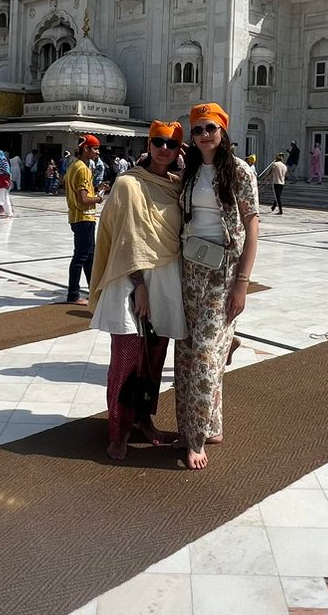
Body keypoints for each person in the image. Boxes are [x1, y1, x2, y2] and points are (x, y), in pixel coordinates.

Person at [90, 120, 185, 460]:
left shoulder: (177, 185)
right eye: (158, 142)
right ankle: (118, 430)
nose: (164, 149)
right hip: (132, 281)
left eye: (172, 144)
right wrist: (139, 286)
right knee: (127, 359)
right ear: (149, 143)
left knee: (154, 360)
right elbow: (127, 237)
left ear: (179, 150)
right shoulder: (129, 183)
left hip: (167, 280)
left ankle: (144, 420)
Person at [177, 103, 260, 469]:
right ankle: (211, 424)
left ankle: (195, 439)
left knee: (205, 356)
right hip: (190, 269)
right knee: (188, 350)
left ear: (223, 131)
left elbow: (253, 226)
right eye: (197, 130)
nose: (203, 135)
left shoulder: (239, 171)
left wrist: (242, 282)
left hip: (223, 273)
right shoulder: (192, 170)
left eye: (209, 128)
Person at [64, 134, 105, 302]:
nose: (97, 152)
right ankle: (73, 294)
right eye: (95, 149)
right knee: (81, 257)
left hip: (78, 217)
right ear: (86, 149)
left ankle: (93, 290)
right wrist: (99, 198)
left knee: (89, 257)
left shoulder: (74, 166)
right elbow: (84, 199)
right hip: (84, 217)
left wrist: (96, 190)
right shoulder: (82, 169)